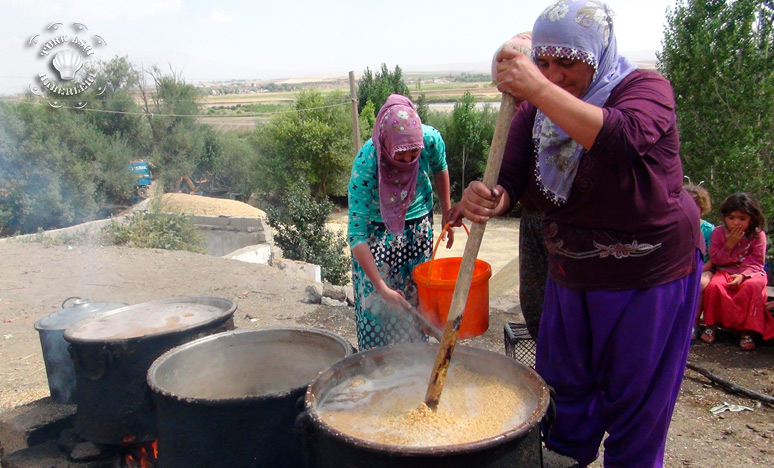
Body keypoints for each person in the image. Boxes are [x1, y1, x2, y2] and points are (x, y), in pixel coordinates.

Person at [452, 1, 703, 466]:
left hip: (648, 279)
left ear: (597, 53)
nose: (553, 75)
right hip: (570, 275)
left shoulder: (646, 90)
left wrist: (537, 88)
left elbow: (621, 139)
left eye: (567, 63)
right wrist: (490, 198)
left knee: (636, 399)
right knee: (564, 393)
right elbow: (510, 180)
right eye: (543, 63)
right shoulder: (532, 112)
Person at [347, 94, 452, 351]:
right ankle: (376, 372)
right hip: (376, 237)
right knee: (376, 312)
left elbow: (440, 167)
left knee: (416, 309)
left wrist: (447, 210)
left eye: (413, 154)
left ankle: (415, 368)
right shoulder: (367, 162)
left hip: (417, 231)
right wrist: (381, 287)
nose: (407, 163)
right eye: (399, 157)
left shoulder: (429, 140)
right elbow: (356, 236)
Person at [700, 192, 773, 350]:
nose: (736, 223)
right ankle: (711, 326)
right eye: (731, 218)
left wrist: (742, 275)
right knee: (714, 287)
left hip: (751, 272)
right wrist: (730, 244)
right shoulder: (718, 233)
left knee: (752, 287)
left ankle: (747, 332)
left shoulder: (758, 235)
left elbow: (757, 261)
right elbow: (717, 260)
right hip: (725, 270)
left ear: (751, 218)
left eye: (742, 218)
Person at [684, 183, 715, 339]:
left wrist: (696, 270)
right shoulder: (676, 226)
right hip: (680, 268)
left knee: (699, 283)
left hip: (704, 268)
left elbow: (712, 260)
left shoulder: (709, 229)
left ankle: (694, 323)